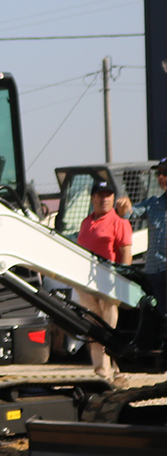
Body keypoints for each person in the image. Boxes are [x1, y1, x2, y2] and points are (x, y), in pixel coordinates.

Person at [77, 179, 132, 382]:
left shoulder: (119, 222)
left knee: (109, 330)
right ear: (92, 198)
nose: (105, 199)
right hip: (86, 283)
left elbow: (126, 253)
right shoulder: (86, 222)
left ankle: (117, 372)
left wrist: (123, 278)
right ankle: (101, 373)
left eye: (108, 195)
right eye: (100, 195)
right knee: (94, 330)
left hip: (109, 282)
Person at [130, 161, 167, 305]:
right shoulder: (152, 203)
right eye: (159, 173)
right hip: (154, 270)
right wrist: (123, 206)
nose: (161, 177)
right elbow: (128, 213)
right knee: (158, 312)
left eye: (165, 173)